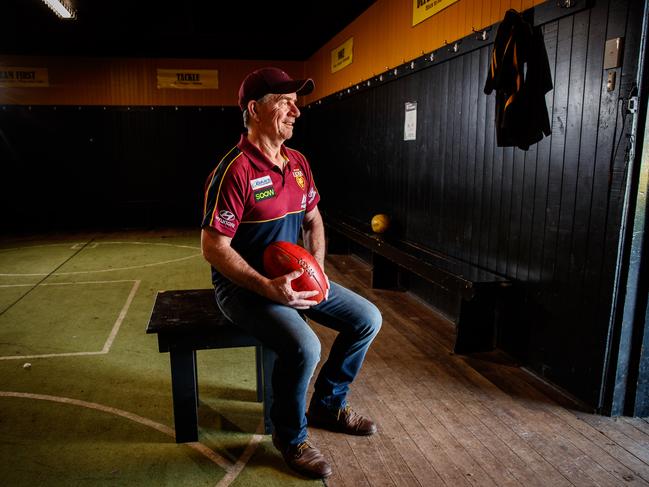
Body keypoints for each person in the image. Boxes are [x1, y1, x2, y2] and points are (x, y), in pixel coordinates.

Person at [200, 67, 382, 479]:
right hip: (243, 289)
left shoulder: (298, 163)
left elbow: (315, 220)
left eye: (295, 102)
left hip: (296, 278)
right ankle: (291, 436)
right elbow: (213, 247)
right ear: (254, 110)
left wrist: (315, 268)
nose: (296, 111)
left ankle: (328, 405)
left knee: (367, 319)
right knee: (306, 346)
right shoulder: (234, 171)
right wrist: (268, 286)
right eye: (284, 102)